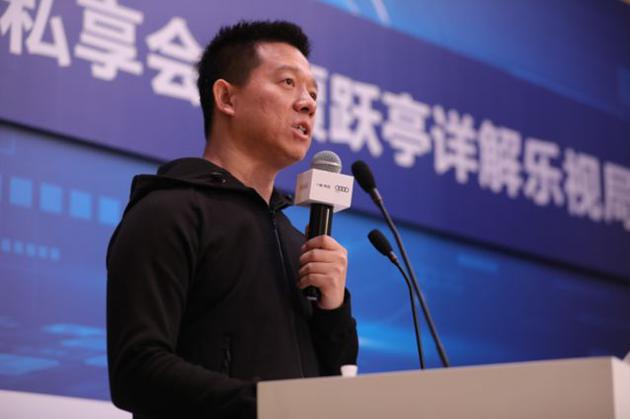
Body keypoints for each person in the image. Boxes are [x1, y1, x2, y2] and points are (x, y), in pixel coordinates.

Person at [106, 20, 358, 419]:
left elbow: (337, 383)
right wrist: (270, 405)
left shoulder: (298, 241)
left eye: (313, 92)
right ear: (226, 97)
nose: (308, 103)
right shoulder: (168, 211)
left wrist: (333, 309)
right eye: (288, 83)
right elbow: (136, 371)